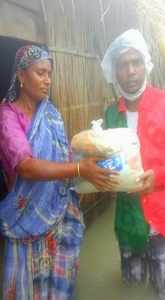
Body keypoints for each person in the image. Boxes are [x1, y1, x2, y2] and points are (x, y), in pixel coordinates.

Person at [0, 45, 116, 299]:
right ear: (21, 75)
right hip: (26, 221)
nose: (47, 80)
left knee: (59, 286)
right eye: (40, 73)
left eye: (49, 73)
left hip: (60, 216)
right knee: (29, 288)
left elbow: (63, 159)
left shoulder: (50, 114)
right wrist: (78, 168)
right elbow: (25, 166)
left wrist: (92, 158)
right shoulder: (7, 116)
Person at [101, 29, 165, 300]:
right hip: (127, 223)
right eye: (123, 65)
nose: (130, 71)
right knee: (132, 291)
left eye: (136, 63)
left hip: (161, 221)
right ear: (114, 72)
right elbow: (109, 162)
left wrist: (160, 175)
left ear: (146, 65)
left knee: (164, 293)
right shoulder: (110, 114)